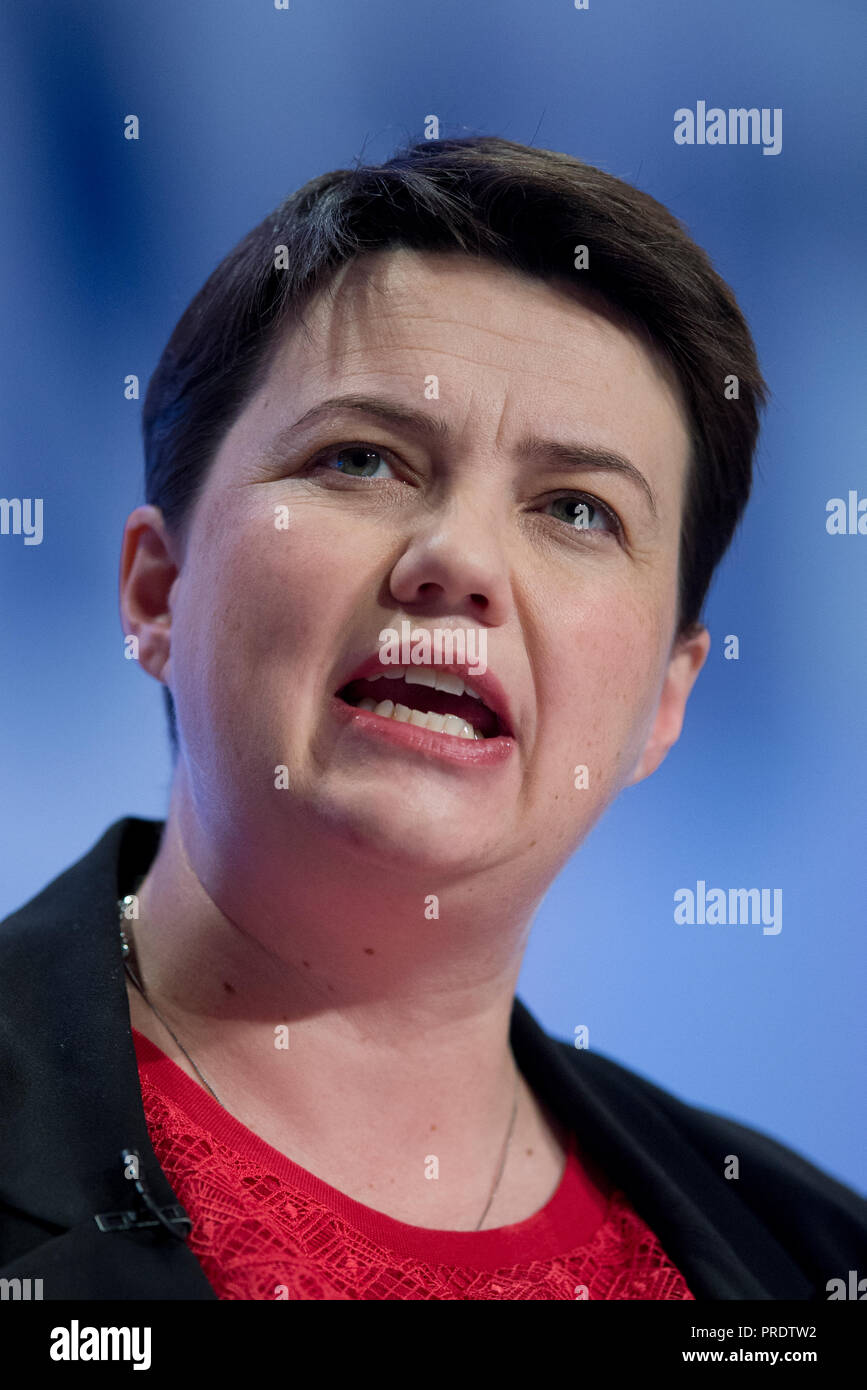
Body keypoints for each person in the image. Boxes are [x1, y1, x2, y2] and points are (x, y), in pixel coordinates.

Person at [1, 136, 864, 1302]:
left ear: (665, 703)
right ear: (159, 591)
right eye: (361, 459)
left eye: (577, 509)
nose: (457, 562)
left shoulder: (812, 1260)